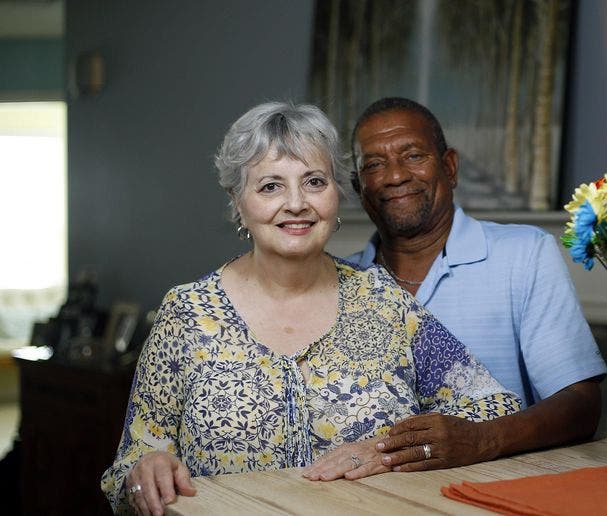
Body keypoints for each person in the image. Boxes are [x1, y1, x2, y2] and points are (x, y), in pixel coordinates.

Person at [100, 101, 520, 515]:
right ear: (238, 201)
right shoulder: (186, 314)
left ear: (336, 193)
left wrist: (389, 450)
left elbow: (494, 405)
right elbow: (128, 467)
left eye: (314, 182)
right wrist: (145, 468)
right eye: (271, 186)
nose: (297, 203)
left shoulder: (384, 300)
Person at [339, 97, 607, 473]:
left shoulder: (524, 254)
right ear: (359, 186)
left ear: (449, 167)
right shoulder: (340, 282)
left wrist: (481, 440)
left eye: (413, 155)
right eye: (374, 164)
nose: (395, 175)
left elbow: (582, 405)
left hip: (496, 490)